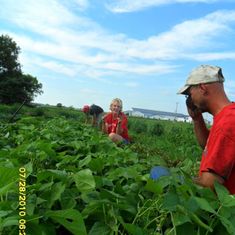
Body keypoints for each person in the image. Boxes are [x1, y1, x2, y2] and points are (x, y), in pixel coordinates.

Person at [177, 64, 235, 194]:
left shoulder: (227, 123)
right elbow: (208, 147)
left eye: (189, 94)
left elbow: (210, 184)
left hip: (226, 212)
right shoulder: (225, 116)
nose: (190, 100)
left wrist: (176, 179)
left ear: (202, 88)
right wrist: (197, 119)